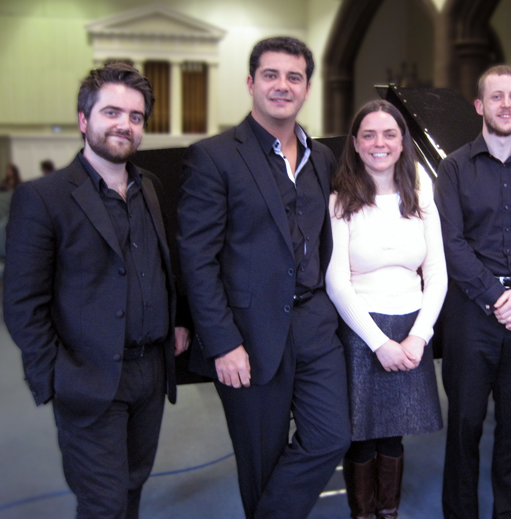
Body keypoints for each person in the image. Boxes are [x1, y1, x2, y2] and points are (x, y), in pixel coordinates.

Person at [3, 62, 190, 519]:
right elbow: (21, 302)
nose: (124, 124)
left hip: (150, 371)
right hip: (88, 375)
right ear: (84, 120)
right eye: (112, 112)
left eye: (136, 116)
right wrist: (55, 375)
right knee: (102, 502)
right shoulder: (43, 198)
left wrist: (177, 319)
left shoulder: (151, 187)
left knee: (133, 484)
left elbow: (165, 266)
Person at [177, 36, 351, 519]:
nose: (282, 86)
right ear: (251, 83)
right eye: (271, 75)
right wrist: (222, 342)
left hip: (315, 324)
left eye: (293, 77)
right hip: (248, 335)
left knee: (332, 435)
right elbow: (197, 257)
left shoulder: (322, 160)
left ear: (307, 88)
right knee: (262, 460)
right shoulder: (213, 157)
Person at [434, 65, 511, 519]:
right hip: (471, 313)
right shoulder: (452, 169)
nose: (506, 104)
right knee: (465, 425)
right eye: (496, 96)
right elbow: (451, 243)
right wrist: (495, 297)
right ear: (480, 106)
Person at [325, 99, 447, 519]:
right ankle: (363, 514)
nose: (380, 143)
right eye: (369, 135)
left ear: (402, 141)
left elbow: (437, 272)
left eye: (389, 134)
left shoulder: (420, 187)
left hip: (413, 324)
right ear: (355, 144)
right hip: (362, 328)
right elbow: (337, 282)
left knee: (394, 434)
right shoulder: (341, 198)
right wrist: (379, 343)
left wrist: (419, 335)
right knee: (361, 435)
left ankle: (388, 512)